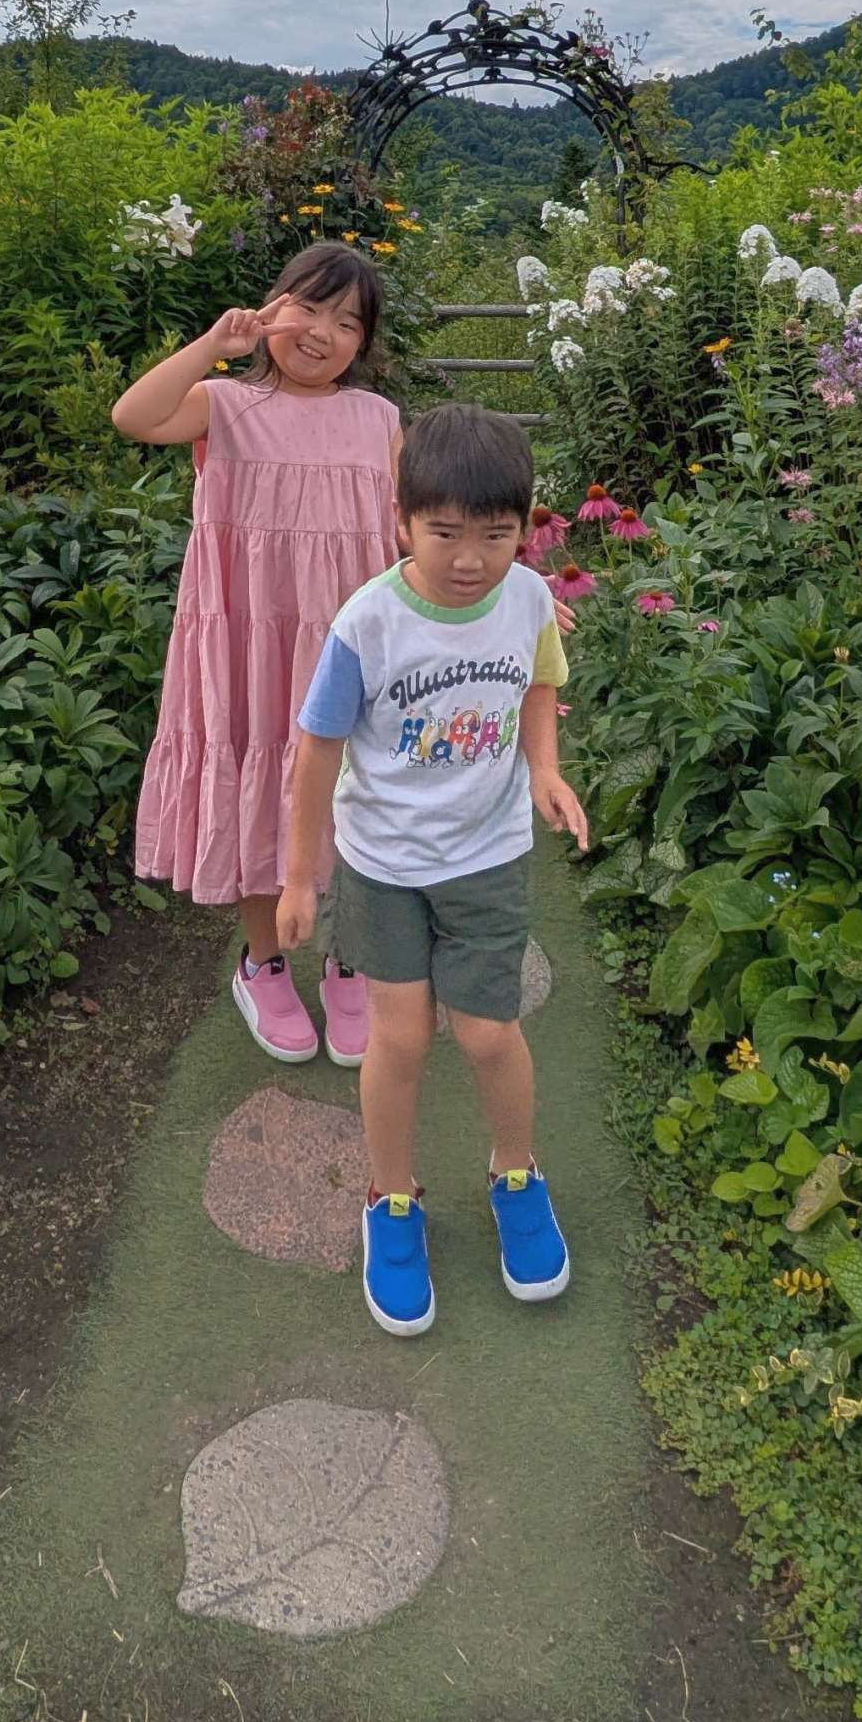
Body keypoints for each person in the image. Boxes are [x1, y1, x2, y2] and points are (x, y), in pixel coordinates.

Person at [276, 404, 588, 1336]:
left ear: (524, 527)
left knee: (490, 1034)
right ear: (401, 520)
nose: (470, 559)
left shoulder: (527, 598)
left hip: (487, 857)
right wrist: (298, 875)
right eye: (445, 532)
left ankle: (516, 1175)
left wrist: (545, 770)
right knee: (401, 1038)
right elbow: (317, 751)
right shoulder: (367, 624)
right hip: (382, 864)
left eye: (496, 534)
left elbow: (539, 681)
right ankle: (391, 1197)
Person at [113, 242, 399, 1065]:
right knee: (259, 783)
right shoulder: (224, 404)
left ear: (363, 343)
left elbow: (409, 529)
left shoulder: (378, 419)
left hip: (347, 646)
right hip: (247, 645)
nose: (321, 332)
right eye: (308, 307)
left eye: (347, 322)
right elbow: (134, 416)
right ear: (272, 307)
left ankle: (349, 957)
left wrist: (495, 589)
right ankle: (263, 963)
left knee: (353, 795)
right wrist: (213, 344)